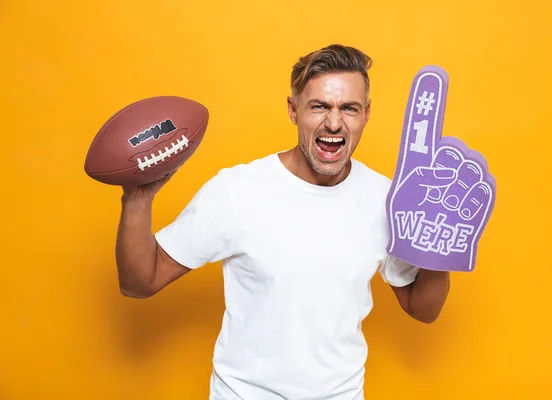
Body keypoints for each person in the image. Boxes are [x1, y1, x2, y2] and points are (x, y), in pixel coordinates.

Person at [115, 44, 450, 399]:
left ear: (366, 113)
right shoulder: (237, 190)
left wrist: (443, 248)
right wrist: (138, 198)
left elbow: (422, 309)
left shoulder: (388, 200)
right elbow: (140, 281)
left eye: (348, 108)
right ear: (293, 110)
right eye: (319, 106)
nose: (334, 123)